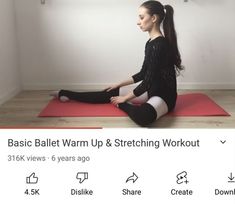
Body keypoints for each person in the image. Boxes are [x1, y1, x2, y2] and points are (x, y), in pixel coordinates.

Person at [51, 0, 184, 127]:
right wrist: (118, 84)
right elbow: (143, 73)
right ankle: (66, 93)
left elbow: (147, 81)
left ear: (154, 18)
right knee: (108, 92)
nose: (138, 22)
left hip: (164, 97)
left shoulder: (160, 44)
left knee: (143, 117)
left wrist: (124, 99)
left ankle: (120, 104)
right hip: (150, 90)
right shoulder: (150, 43)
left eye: (142, 17)